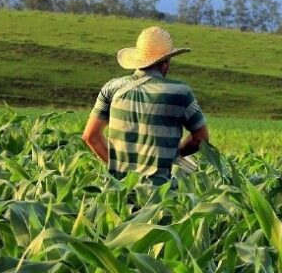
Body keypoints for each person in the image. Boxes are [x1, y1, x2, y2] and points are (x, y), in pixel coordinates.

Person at [82, 26, 209, 186]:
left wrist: (118, 170)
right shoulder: (180, 92)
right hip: (159, 196)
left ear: (137, 60)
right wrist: (174, 154)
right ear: (165, 62)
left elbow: (90, 136)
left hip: (118, 192)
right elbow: (201, 138)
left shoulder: (112, 88)